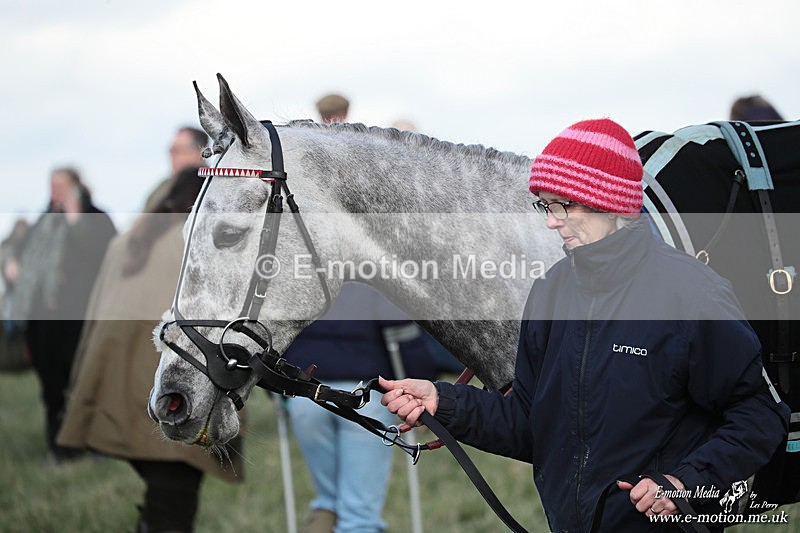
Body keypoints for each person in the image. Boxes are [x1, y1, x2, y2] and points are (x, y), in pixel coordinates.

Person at [380, 119, 790, 531]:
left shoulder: (690, 295)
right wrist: (442, 401)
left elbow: (759, 416)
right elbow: (528, 421)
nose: (550, 221)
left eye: (563, 205)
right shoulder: (551, 292)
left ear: (609, 203)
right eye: (545, 204)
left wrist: (684, 483)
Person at [58, 167, 243, 533]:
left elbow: (92, 321)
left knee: (163, 500)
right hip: (174, 395)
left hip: (116, 390)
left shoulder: (127, 240)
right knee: (172, 508)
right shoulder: (201, 245)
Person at [285, 282, 437, 533]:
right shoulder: (367, 275)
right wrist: (421, 380)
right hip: (364, 398)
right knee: (359, 516)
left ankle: (325, 518)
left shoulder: (303, 271)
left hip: (306, 397)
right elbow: (400, 331)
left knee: (328, 502)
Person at [11, 167, 116, 463]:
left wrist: (74, 221)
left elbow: (105, 254)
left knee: (86, 380)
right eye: (51, 185)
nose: (54, 190)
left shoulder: (94, 215)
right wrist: (14, 267)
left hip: (81, 314)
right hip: (44, 316)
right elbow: (23, 251)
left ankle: (98, 445)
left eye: (61, 185)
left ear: (76, 185)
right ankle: (61, 449)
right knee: (53, 387)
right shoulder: (44, 220)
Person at [144, 127, 208, 211]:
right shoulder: (162, 188)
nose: (172, 156)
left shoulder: (211, 186)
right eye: (171, 150)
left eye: (178, 150)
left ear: (198, 153)